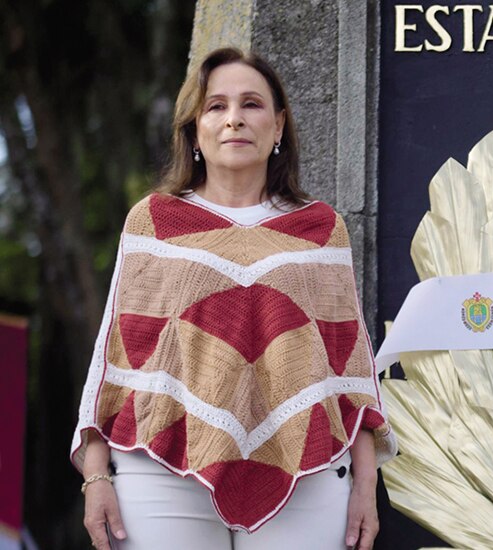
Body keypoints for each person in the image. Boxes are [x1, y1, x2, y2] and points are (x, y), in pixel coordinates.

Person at [70, 47, 397, 549]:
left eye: (251, 104)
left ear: (279, 124)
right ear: (195, 128)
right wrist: (96, 478)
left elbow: (350, 369)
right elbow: (114, 363)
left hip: (304, 468)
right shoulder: (155, 222)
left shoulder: (319, 228)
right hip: (161, 464)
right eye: (216, 106)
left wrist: (366, 486)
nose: (234, 120)